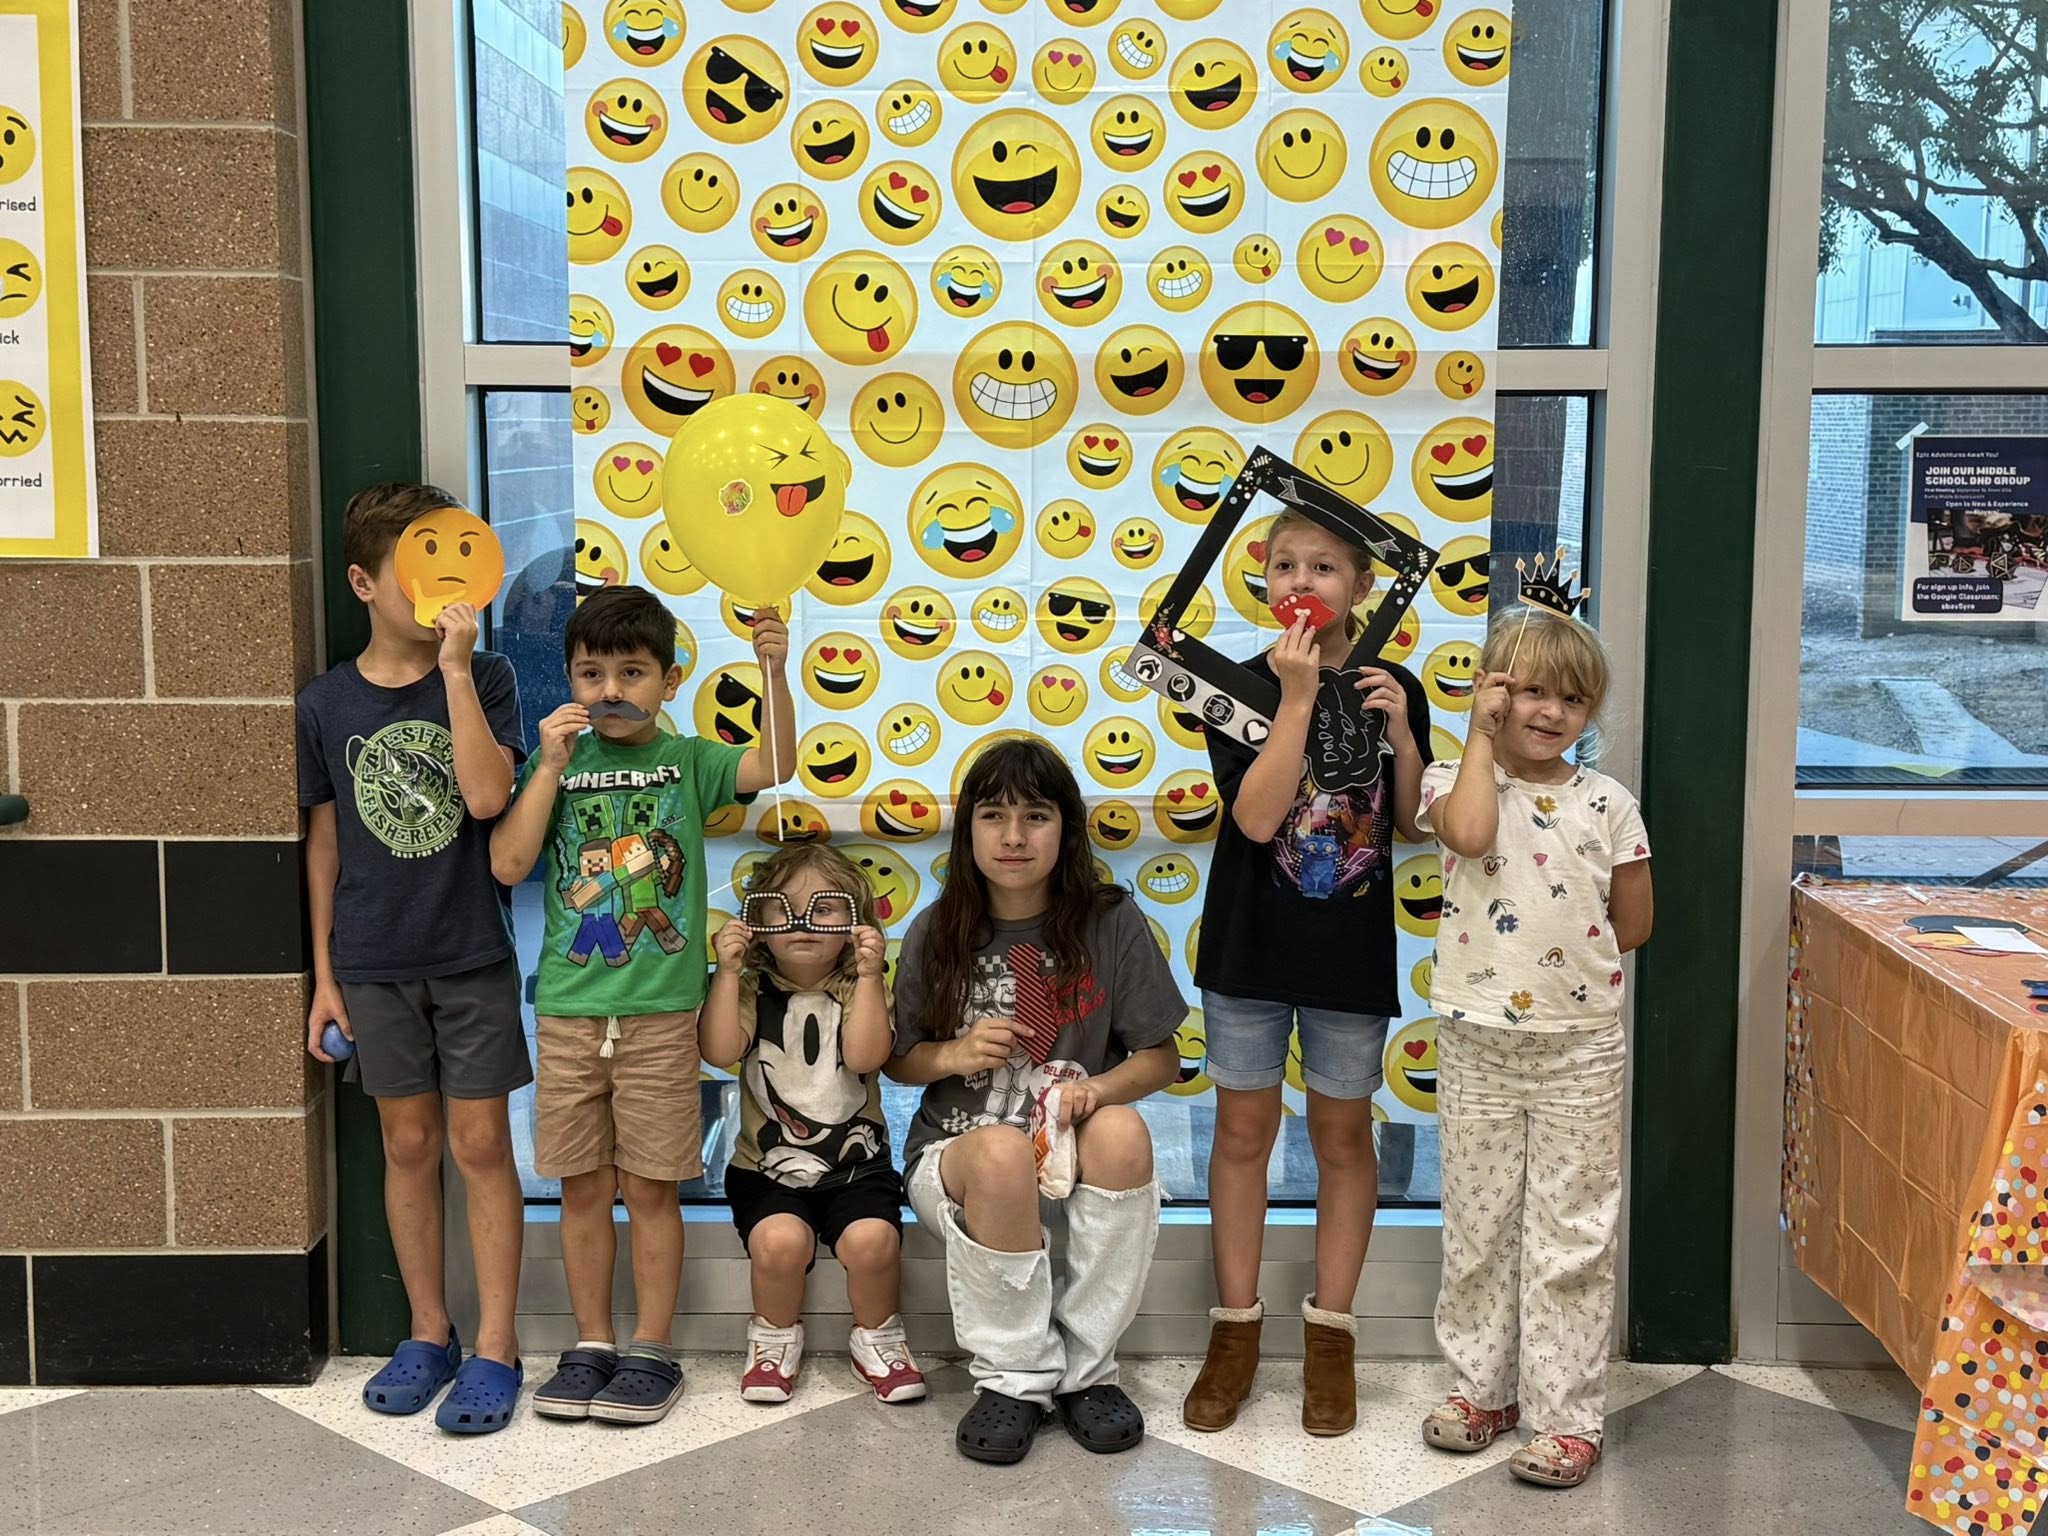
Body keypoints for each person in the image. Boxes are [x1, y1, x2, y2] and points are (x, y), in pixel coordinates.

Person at [488, 583, 793, 1426]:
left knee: (653, 1187)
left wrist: (775, 668)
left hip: (661, 1012)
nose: (612, 689)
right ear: (570, 681)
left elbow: (776, 767)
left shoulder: (691, 759)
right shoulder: (553, 765)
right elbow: (509, 864)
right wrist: (547, 767)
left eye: (633, 671)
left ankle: (652, 1347)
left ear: (666, 677)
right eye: (591, 673)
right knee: (582, 1187)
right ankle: (591, 1343)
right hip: (569, 1011)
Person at [1184, 510, 1432, 1438]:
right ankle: (1234, 1334)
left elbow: (1410, 824)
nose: (1304, 577)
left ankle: (1332, 1337)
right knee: (1242, 1136)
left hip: (1348, 951)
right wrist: (1293, 700)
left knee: (1342, 1141)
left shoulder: (1390, 683)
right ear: (1261, 575)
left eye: (1326, 566)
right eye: (1285, 562)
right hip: (1250, 947)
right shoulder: (1238, 684)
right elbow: (1254, 819)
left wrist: (1404, 735)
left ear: (1363, 589)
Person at [300, 482, 529, 1434]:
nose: (447, 588)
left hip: (470, 950)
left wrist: (457, 670)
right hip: (374, 962)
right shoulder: (326, 702)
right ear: (363, 581)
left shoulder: (493, 676)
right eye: (422, 569)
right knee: (406, 1143)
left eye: (459, 564)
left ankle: (498, 1346)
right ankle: (427, 1330)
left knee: (480, 1144)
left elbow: (483, 799)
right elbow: (325, 841)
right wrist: (324, 975)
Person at [887, 738, 1185, 1465]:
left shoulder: (1112, 922)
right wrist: (954, 1055)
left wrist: (1096, 1091)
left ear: (1067, 829)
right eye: (993, 816)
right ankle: (1014, 1376)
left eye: (1036, 816)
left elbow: (1163, 1057)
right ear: (968, 833)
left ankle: (1087, 1371)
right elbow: (896, 1060)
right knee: (998, 1150)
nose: (1014, 836)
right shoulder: (938, 928)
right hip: (963, 1155)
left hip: (1067, 1149)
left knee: (1123, 1135)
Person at [1412, 608, 1653, 1489]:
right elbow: (1471, 837)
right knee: (1477, 1227)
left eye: (1574, 698)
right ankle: (1482, 1392)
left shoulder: (1609, 802)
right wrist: (1479, 737)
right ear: (1494, 695)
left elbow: (1636, 921)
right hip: (1475, 1040)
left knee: (1572, 1236)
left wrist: (1561, 970)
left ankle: (1566, 1417)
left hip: (1581, 1048)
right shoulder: (1453, 782)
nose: (1552, 712)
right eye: (1532, 692)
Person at [699, 842, 926, 1406]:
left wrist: (872, 976)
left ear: (855, 923)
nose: (802, 921)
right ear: (757, 923)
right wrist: (727, 974)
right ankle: (773, 1339)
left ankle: (878, 1337)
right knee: (779, 1242)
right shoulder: (750, 986)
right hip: (764, 1169)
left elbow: (870, 1056)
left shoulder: (859, 986)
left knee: (873, 1242)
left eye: (824, 908)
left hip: (858, 1168)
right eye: (783, 908)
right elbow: (718, 1049)